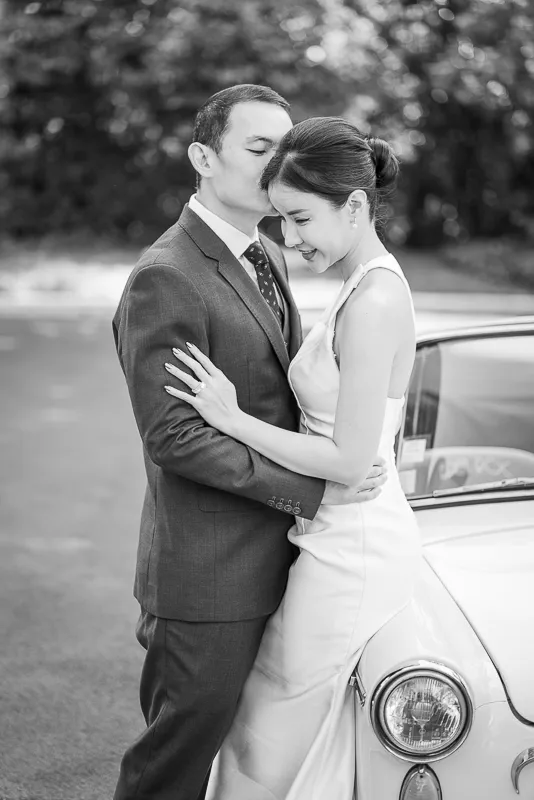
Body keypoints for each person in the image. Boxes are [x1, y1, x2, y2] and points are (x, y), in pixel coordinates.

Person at [112, 87, 386, 800]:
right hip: (210, 575)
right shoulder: (166, 277)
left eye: (285, 150)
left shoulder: (267, 249)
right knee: (176, 761)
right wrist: (313, 490)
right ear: (204, 157)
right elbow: (175, 437)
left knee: (253, 753)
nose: (277, 168)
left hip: (287, 557)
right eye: (260, 150)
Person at [163, 116, 422, 800]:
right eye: (280, 219)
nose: (289, 237)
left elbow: (345, 461)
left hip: (353, 545)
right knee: (273, 722)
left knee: (266, 734)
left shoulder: (376, 300)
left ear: (356, 206)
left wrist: (230, 418)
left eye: (301, 217)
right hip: (328, 532)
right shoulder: (360, 286)